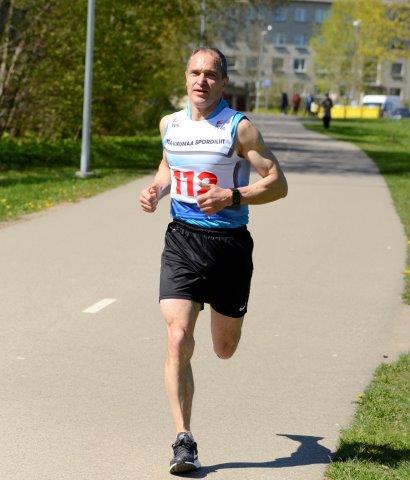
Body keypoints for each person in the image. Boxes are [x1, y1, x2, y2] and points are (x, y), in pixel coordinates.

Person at [139, 46, 288, 474]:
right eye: (194, 73)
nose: (201, 81)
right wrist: (157, 189)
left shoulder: (239, 128)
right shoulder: (170, 124)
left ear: (223, 82)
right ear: (185, 78)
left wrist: (233, 196)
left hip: (229, 247)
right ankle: (183, 440)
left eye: (210, 74)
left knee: (224, 349)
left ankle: (222, 325)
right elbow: (169, 164)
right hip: (182, 240)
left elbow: (278, 183)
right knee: (177, 337)